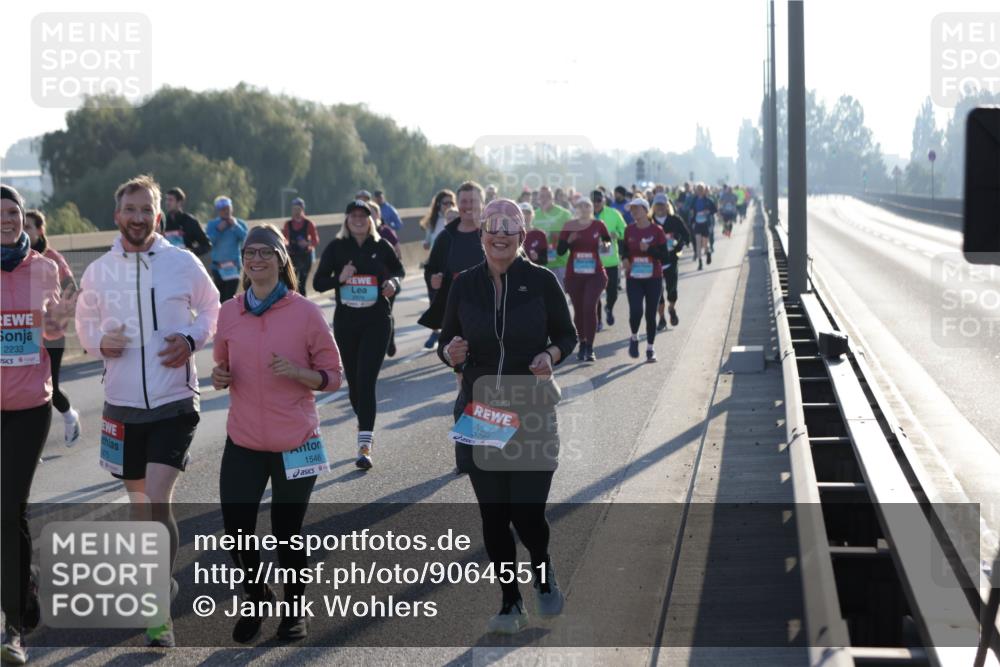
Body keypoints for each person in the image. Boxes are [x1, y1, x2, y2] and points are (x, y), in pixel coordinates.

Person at [75, 175, 220, 648]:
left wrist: (193, 339)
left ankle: (158, 611)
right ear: (117, 215)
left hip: (174, 399)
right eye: (130, 209)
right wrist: (99, 343)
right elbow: (83, 324)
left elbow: (213, 307)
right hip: (121, 405)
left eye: (146, 210)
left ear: (159, 216)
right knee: (140, 505)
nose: (138, 217)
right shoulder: (99, 271)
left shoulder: (182, 262)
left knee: (157, 497)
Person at [438, 198, 576, 634]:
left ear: (521, 238)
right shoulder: (464, 285)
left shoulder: (540, 282)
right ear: (481, 238)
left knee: (527, 514)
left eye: (509, 232)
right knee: (494, 515)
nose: (500, 238)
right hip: (481, 410)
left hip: (531, 407)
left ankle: (542, 565)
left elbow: (567, 335)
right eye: (492, 232)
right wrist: (451, 353)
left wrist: (550, 354)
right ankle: (510, 601)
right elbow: (448, 342)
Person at [211, 224, 342, 643]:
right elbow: (221, 366)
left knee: (287, 530)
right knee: (236, 528)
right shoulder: (229, 312)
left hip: (296, 441)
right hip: (244, 440)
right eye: (251, 252)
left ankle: (295, 612)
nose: (256, 259)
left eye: (267, 252)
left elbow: (333, 376)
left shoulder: (305, 312)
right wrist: (219, 376)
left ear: (282, 260)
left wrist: (299, 373)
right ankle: (257, 594)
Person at [1, 186, 61, 665]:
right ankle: (26, 584)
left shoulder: (43, 269)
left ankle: (12, 628)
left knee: (8, 507)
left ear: (25, 218)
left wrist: (59, 389)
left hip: (28, 407)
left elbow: (55, 337)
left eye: (13, 212)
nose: (6, 219)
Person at [314, 201, 403, 469]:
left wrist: (393, 283)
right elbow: (318, 283)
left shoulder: (380, 246)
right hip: (347, 323)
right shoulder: (337, 247)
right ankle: (366, 419)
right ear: (347, 220)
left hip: (377, 321)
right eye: (353, 216)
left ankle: (365, 444)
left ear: (370, 220)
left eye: (363, 216)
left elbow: (399, 270)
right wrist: (340, 278)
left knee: (366, 381)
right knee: (354, 385)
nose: (358, 220)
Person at [23, 209, 81, 445]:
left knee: (50, 390)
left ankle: (69, 416)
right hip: (23, 333)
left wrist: (58, 314)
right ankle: (25, 445)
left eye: (28, 226)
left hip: (51, 334)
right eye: (22, 226)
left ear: (40, 230)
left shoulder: (52, 259)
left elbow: (71, 290)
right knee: (23, 391)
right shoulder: (13, 258)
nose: (24, 231)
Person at [418, 182, 487, 347]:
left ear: (482, 204)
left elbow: (517, 262)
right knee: (461, 364)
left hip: (490, 310)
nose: (468, 206)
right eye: (464, 201)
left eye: (473, 201)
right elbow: (431, 269)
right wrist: (433, 279)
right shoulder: (446, 237)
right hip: (457, 312)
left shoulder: (495, 232)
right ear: (458, 203)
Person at [558, 199, 611, 362]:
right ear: (576, 208)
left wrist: (606, 245)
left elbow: (607, 240)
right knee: (579, 311)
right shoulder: (569, 226)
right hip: (575, 275)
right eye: (580, 205)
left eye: (587, 205)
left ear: (591, 208)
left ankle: (590, 347)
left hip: (595, 274)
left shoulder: (598, 225)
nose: (584, 208)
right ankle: (582, 342)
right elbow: (560, 251)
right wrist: (568, 241)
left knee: (589, 306)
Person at [621, 198, 669, 362]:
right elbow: (624, 249)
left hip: (653, 278)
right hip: (634, 277)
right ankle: (634, 337)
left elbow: (664, 256)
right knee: (636, 311)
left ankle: (650, 348)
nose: (633, 212)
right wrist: (625, 259)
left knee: (650, 314)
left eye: (636, 209)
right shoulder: (629, 230)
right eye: (631, 209)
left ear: (645, 210)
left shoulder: (657, 230)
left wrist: (649, 249)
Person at [418, 190, 456, 349]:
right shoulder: (433, 222)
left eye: (450, 203)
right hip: (435, 265)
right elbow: (426, 242)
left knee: (452, 301)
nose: (448, 206)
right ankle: (435, 330)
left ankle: (451, 333)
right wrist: (426, 244)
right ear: (438, 205)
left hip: (452, 267)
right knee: (434, 299)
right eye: (444, 203)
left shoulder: (459, 220)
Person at [651, 195, 690, 331]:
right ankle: (661, 319)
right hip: (654, 261)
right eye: (657, 205)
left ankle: (671, 308)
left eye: (663, 205)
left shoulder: (675, 220)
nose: (660, 208)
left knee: (671, 289)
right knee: (657, 292)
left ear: (667, 206)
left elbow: (686, 236)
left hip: (671, 260)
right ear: (653, 207)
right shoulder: (649, 222)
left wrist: (679, 245)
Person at [591, 190, 626, 330]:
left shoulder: (613, 213)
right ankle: (598, 321)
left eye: (599, 201)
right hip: (593, 262)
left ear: (604, 201)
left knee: (612, 292)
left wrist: (616, 234)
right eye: (593, 201)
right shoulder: (586, 216)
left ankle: (609, 308)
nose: (596, 204)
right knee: (595, 294)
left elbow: (625, 231)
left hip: (611, 261)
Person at [371, 202, 402, 357]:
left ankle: (389, 339)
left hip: (387, 282)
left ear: (379, 215)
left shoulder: (386, 233)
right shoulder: (357, 237)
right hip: (368, 284)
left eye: (373, 213)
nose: (369, 217)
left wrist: (393, 275)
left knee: (386, 312)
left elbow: (398, 251)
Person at [206, 196, 249, 302]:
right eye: (223, 209)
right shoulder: (212, 225)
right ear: (218, 211)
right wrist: (218, 230)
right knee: (220, 299)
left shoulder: (240, 223)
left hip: (233, 267)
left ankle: (230, 317)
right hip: (217, 267)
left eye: (228, 208)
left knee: (229, 298)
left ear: (231, 208)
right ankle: (220, 318)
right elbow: (208, 243)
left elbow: (246, 240)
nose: (226, 211)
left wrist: (235, 226)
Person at [531, 186, 572, 286]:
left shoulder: (564, 214)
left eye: (548, 196)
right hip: (540, 263)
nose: (545, 199)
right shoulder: (533, 215)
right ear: (538, 199)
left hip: (560, 262)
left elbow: (572, 236)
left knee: (559, 297)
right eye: (542, 196)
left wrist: (558, 235)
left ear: (553, 197)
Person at [282, 197, 319, 297]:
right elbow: (283, 239)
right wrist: (286, 244)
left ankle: (303, 306)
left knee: (302, 284)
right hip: (293, 256)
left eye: (298, 209)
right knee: (291, 283)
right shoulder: (288, 224)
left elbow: (315, 241)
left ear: (302, 209)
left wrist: (307, 244)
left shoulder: (309, 223)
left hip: (305, 256)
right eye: (294, 209)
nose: (296, 211)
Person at [162, 187, 211, 256]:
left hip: (186, 264)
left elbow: (206, 245)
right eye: (166, 200)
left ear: (179, 203)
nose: (167, 203)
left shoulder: (190, 221)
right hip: (167, 263)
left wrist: (191, 252)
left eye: (170, 200)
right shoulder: (162, 222)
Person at [689, 183, 717, 270]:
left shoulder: (708, 200)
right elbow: (691, 211)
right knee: (698, 243)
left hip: (705, 223)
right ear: (696, 191)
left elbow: (714, 210)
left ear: (704, 190)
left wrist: (707, 211)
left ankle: (707, 253)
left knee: (705, 244)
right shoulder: (694, 200)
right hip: (697, 223)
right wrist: (692, 221)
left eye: (701, 189)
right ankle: (700, 262)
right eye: (698, 189)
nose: (700, 191)